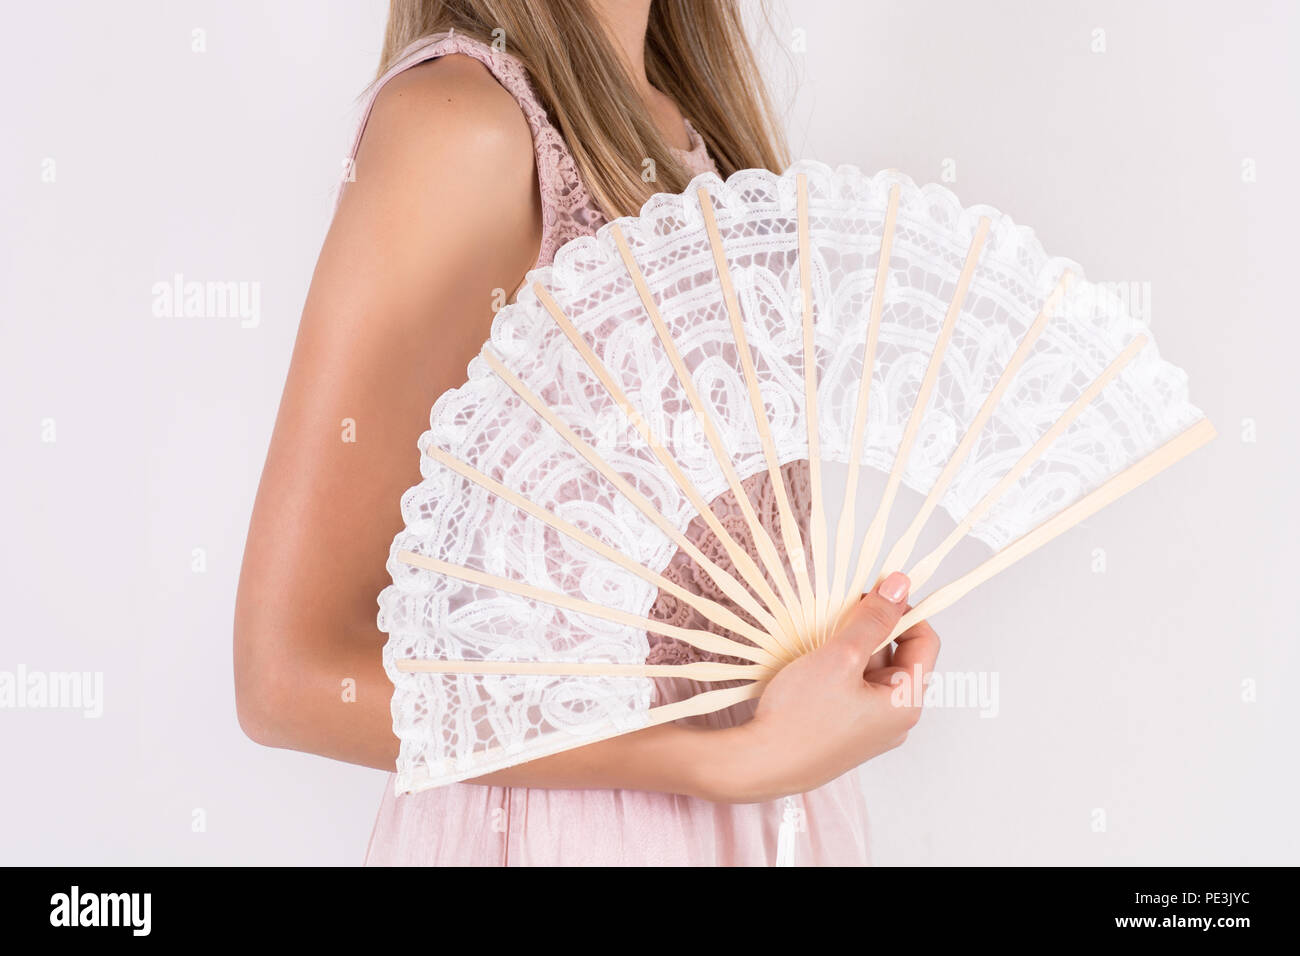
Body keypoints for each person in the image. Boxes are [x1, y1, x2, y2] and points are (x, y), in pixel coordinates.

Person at [234, 0, 940, 866]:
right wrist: (723, 760)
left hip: (774, 824)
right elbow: (288, 677)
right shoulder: (462, 125)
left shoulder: (704, 126)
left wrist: (823, 678)